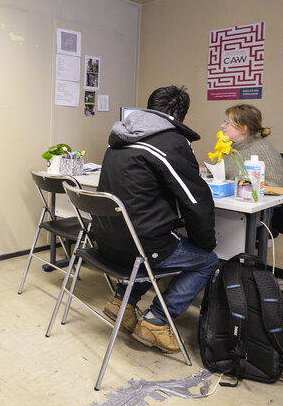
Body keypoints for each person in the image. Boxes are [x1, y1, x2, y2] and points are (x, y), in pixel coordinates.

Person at [93, 85, 218, 354]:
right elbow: (195, 200)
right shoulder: (171, 141)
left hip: (105, 240)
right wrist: (205, 242)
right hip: (140, 246)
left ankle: (121, 303)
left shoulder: (118, 137)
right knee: (206, 260)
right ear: (182, 117)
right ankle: (157, 321)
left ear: (149, 108)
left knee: (153, 243)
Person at [220, 104, 283, 188]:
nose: (222, 126)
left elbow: (276, 188)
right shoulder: (232, 146)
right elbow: (219, 173)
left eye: (227, 123)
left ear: (243, 129)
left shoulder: (263, 150)